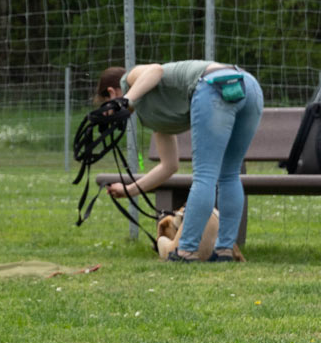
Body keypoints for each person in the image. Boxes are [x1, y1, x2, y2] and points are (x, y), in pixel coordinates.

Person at [96, 61, 264, 262]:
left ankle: (186, 250)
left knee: (206, 175)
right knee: (229, 174)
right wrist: (129, 190)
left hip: (214, 85)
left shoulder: (129, 78)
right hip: (248, 86)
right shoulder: (156, 113)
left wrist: (123, 101)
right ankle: (224, 251)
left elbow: (156, 70)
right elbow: (169, 166)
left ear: (112, 92)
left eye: (106, 106)